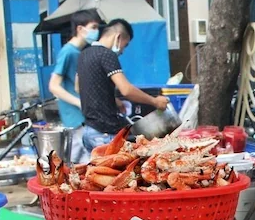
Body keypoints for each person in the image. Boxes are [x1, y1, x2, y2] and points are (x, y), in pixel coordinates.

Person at [77, 19, 169, 153]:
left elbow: (78, 86)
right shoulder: (106, 55)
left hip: (88, 132)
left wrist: (113, 100)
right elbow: (126, 90)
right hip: (105, 134)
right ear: (118, 37)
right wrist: (155, 101)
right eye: (125, 45)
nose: (122, 51)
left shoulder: (84, 54)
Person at [49, 9, 101, 163]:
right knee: (82, 162)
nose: (96, 32)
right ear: (80, 29)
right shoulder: (68, 52)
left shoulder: (80, 52)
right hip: (74, 116)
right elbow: (54, 86)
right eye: (93, 27)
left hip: (82, 115)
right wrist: (78, 102)